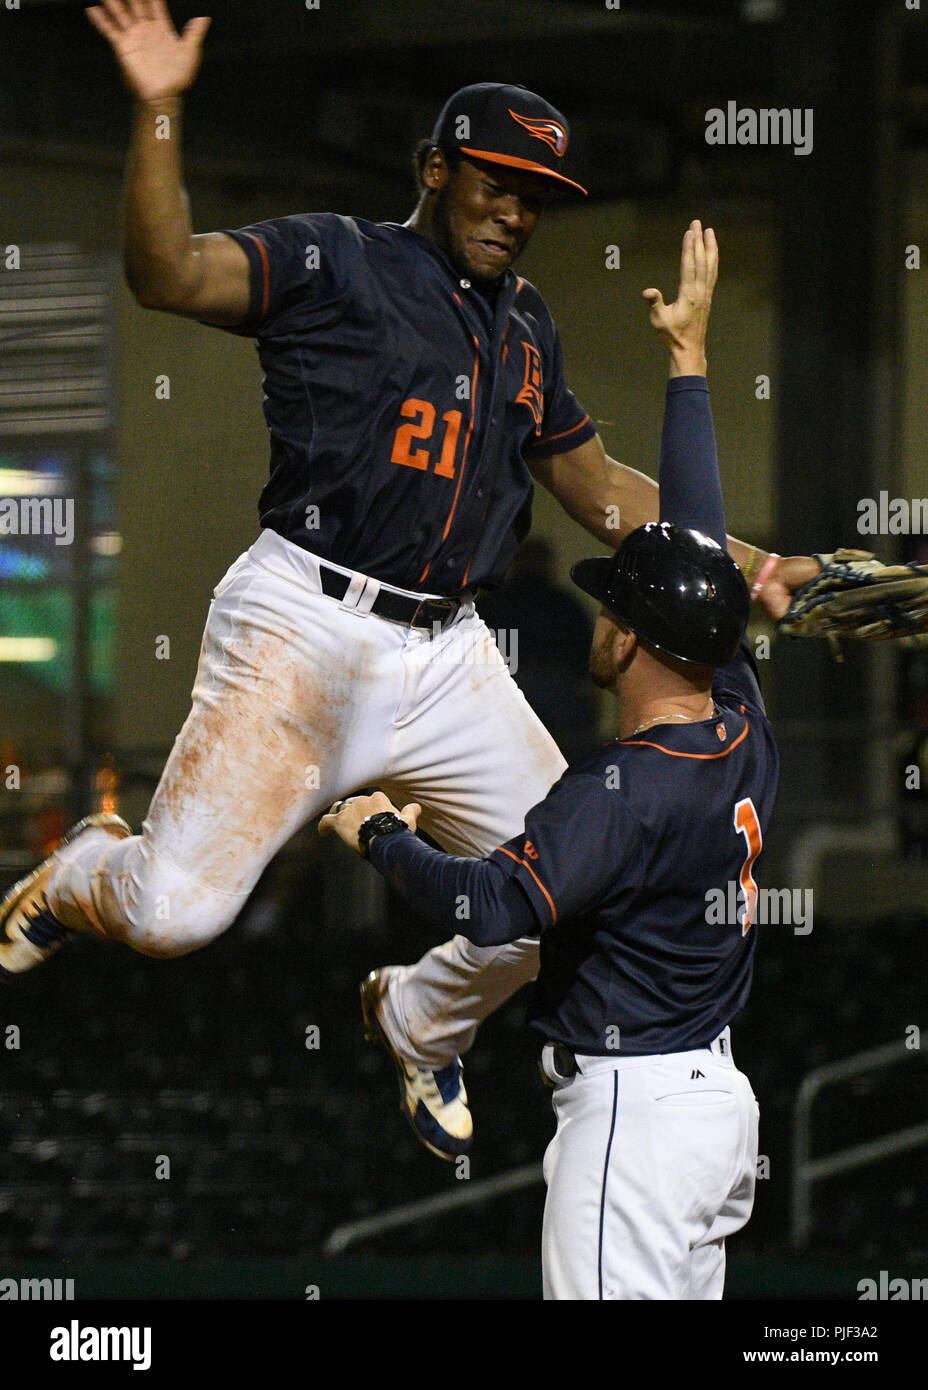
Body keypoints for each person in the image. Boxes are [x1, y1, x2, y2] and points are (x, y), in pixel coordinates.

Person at [0, 2, 815, 1164]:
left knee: (569, 896)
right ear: (435, 169)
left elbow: (594, 491)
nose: (515, 210)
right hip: (301, 628)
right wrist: (159, 106)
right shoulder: (338, 257)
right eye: (494, 182)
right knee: (174, 918)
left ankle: (413, 1019)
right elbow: (166, 274)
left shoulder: (527, 324)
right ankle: (84, 868)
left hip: (447, 653)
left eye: (534, 195)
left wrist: (743, 562)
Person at [320, 224, 773, 1298]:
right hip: (710, 1107)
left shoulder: (618, 794)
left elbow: (490, 907)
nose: (594, 620)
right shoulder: (738, 713)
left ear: (631, 642)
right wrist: (688, 364)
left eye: (609, 606)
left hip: (637, 1118)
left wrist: (375, 830)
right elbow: (699, 549)